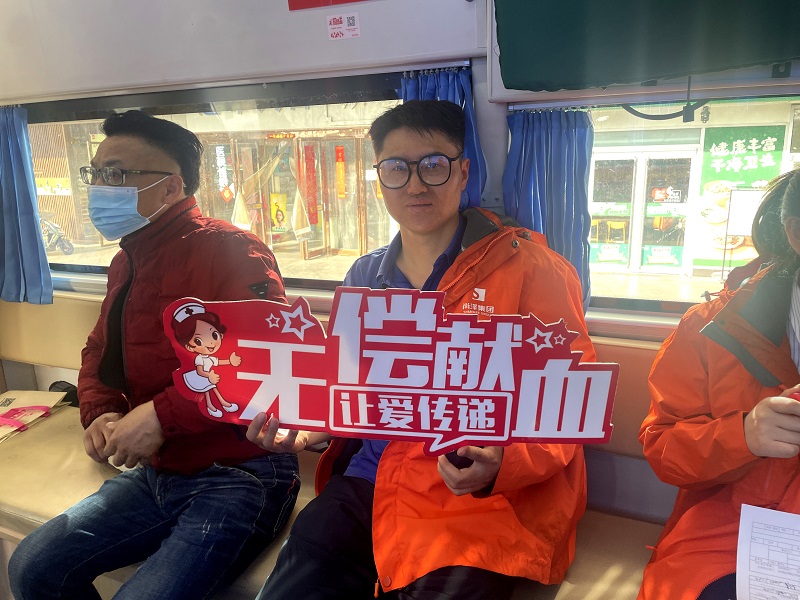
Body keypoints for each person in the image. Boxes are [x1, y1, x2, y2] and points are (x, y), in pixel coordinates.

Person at [246, 100, 596, 599]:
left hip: (476, 494)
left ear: (463, 172)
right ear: (380, 177)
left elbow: (568, 401)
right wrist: (307, 429)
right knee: (302, 564)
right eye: (396, 168)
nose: (415, 185)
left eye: (433, 165)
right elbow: (349, 390)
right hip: (370, 481)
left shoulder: (535, 271)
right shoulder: (365, 276)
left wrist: (504, 462)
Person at [9, 110, 300, 600]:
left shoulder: (231, 249)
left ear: (170, 187)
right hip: (160, 471)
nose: (99, 187)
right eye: (95, 173)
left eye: (117, 174)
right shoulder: (126, 260)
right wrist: (102, 412)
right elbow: (99, 348)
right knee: (33, 568)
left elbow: (261, 361)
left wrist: (161, 417)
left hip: (240, 472)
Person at [638, 169, 800, 600]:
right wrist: (743, 435)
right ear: (795, 233)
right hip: (731, 535)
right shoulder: (709, 328)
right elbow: (663, 448)